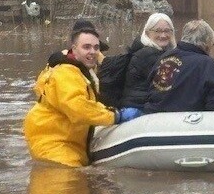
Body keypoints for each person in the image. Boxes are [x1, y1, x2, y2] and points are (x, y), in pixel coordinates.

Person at [24, 26, 141, 167]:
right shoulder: (67, 73)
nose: (93, 52)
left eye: (96, 47)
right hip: (56, 145)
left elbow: (87, 104)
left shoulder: (78, 71)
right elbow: (79, 108)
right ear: (74, 48)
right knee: (68, 184)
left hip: (60, 141)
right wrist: (115, 116)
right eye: (86, 47)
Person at [138, 19, 214, 114]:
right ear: (207, 43)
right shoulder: (209, 65)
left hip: (154, 120)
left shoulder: (163, 58)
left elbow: (149, 90)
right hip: (189, 123)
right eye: (213, 44)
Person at [118, 12, 176, 109]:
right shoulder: (148, 55)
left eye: (167, 31)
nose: (163, 35)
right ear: (147, 32)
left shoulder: (160, 52)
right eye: (157, 31)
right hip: (139, 109)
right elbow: (167, 84)